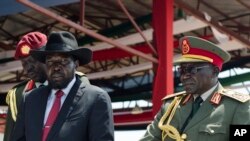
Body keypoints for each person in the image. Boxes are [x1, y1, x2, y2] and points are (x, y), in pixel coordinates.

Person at [139, 36, 250, 141]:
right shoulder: (170, 106)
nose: (184, 76)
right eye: (182, 70)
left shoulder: (238, 106)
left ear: (214, 72)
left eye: (192, 70)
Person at [11, 31, 114, 141]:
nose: (56, 67)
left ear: (76, 64)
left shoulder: (96, 98)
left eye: (63, 61)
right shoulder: (29, 99)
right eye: (50, 61)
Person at [4, 32, 48, 141]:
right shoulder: (18, 95)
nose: (28, 69)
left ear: (46, 58)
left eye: (32, 62)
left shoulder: (70, 84)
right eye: (24, 64)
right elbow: (11, 136)